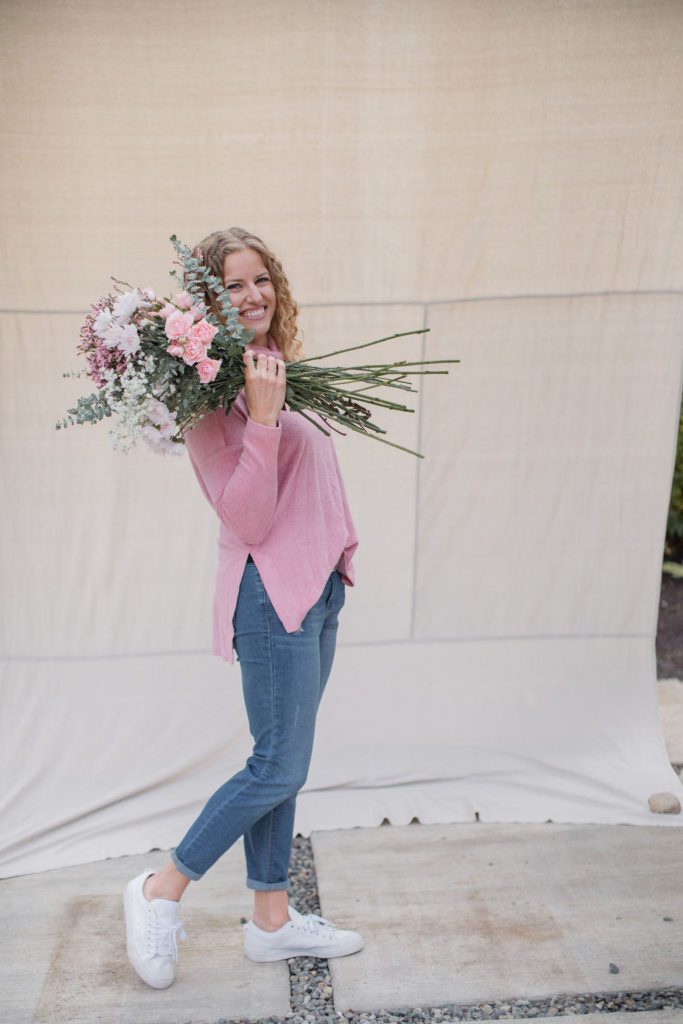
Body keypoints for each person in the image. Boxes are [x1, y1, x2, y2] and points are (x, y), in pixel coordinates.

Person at [123, 227, 362, 989]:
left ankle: (270, 920)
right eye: (231, 285)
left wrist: (340, 552)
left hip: (316, 589)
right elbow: (246, 518)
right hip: (270, 598)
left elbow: (311, 481)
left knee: (282, 767)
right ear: (205, 305)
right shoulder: (209, 400)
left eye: (260, 278)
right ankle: (161, 889)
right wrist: (261, 417)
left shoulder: (274, 368)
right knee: (276, 764)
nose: (253, 294)